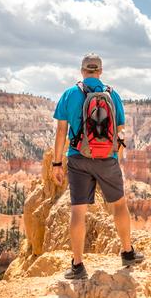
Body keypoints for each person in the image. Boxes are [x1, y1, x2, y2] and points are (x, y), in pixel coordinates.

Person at [51, 53, 145, 280]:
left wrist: (56, 163)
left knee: (78, 211)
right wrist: (115, 157)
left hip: (77, 158)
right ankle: (127, 253)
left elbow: (61, 131)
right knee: (119, 206)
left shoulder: (70, 94)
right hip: (107, 159)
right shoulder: (113, 94)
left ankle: (78, 265)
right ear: (100, 72)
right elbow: (121, 131)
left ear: (82, 70)